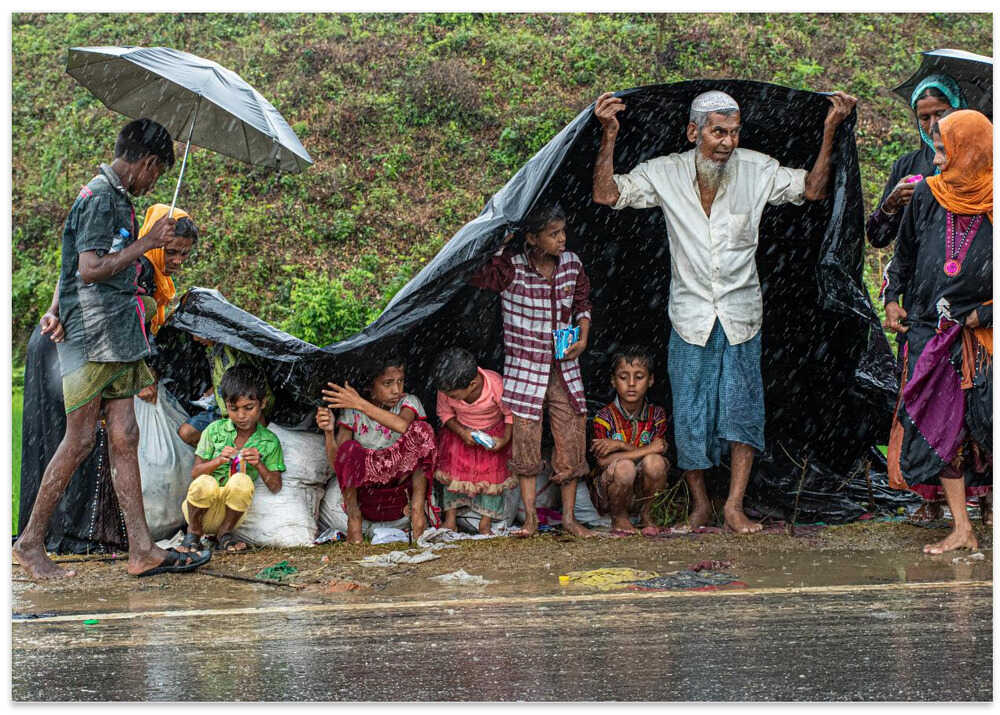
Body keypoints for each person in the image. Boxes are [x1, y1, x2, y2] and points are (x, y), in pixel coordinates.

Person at [592, 88, 857, 533]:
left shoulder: (756, 169)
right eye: (718, 132)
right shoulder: (666, 172)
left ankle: (733, 505)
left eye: (734, 133)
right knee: (691, 414)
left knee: (743, 413)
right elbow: (607, 194)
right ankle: (699, 506)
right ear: (694, 131)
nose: (727, 142)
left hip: (741, 315)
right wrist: (609, 135)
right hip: (689, 317)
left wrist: (830, 129)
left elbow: (813, 189)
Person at [13, 118, 211, 578]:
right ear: (147, 163)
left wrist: (56, 304)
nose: (153, 183)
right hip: (93, 338)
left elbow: (70, 267)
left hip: (117, 335)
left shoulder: (113, 197)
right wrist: (148, 242)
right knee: (81, 438)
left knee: (126, 436)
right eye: (157, 174)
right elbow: (88, 267)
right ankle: (30, 542)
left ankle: (141, 550)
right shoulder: (102, 197)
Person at [882, 109, 992, 554]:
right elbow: (901, 258)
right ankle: (961, 526)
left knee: (986, 428)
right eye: (937, 150)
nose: (939, 159)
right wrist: (892, 299)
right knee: (941, 427)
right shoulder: (926, 195)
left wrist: (983, 315)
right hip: (930, 332)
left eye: (947, 150)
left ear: (973, 152)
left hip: (981, 339)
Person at [469, 203, 594, 538]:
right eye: (553, 234)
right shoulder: (511, 267)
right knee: (526, 442)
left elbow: (582, 302)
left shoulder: (572, 265)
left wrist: (582, 337)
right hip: (525, 370)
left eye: (563, 232)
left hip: (564, 369)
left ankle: (568, 520)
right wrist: (501, 240)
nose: (562, 240)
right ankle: (530, 520)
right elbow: (478, 272)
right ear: (533, 238)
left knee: (569, 438)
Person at [317, 353, 437, 544]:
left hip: (399, 486)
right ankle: (354, 521)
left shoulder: (409, 402)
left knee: (422, 431)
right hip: (367, 493)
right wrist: (329, 433)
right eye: (387, 383)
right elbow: (338, 464)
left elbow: (404, 426)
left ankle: (417, 513)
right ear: (370, 388)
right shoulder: (352, 411)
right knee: (348, 449)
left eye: (400, 381)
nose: (396, 390)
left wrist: (360, 403)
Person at [179, 364, 285, 553]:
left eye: (249, 408)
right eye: (233, 408)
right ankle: (193, 533)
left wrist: (258, 464)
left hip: (232, 514)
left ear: (263, 403)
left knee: (242, 481)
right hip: (200, 510)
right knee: (205, 482)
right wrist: (218, 460)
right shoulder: (213, 431)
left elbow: (275, 486)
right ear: (225, 405)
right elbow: (195, 473)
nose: (241, 415)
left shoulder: (269, 441)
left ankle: (224, 534)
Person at [866, 74, 967, 249]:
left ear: (958, 111)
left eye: (940, 113)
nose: (934, 124)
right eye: (925, 118)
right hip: (915, 271)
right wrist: (891, 204)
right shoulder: (907, 165)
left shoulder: (978, 163)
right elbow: (877, 238)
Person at [432, 347, 515, 534]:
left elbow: (509, 414)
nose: (449, 397)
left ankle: (485, 523)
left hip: (493, 435)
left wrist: (504, 440)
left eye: (453, 396)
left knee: (492, 478)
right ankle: (450, 519)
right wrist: (462, 433)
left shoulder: (495, 385)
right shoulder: (447, 388)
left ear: (472, 384)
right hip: (459, 433)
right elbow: (444, 413)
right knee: (451, 473)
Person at [590, 346, 670, 534]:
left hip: (642, 490)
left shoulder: (656, 414)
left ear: (650, 380)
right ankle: (619, 517)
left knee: (655, 462)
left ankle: (647, 514)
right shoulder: (604, 417)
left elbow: (660, 449)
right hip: (611, 493)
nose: (631, 384)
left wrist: (619, 445)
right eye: (623, 377)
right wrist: (647, 449)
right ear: (613, 381)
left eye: (639, 377)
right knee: (624, 467)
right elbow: (602, 461)